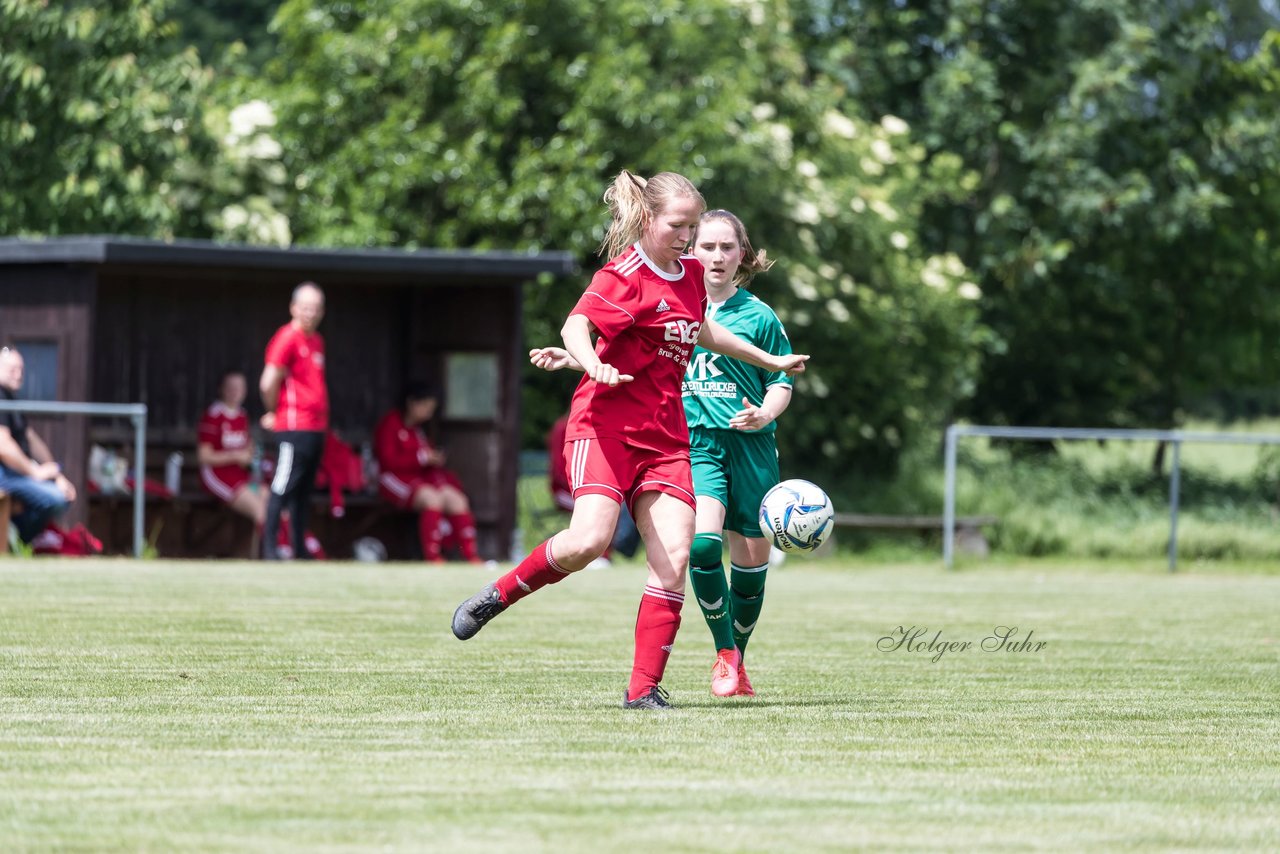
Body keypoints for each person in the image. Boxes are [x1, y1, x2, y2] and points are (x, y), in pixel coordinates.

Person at [450, 170, 808, 711]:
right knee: (587, 542)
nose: (688, 238)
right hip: (605, 429)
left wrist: (768, 360)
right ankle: (501, 593)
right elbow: (577, 325)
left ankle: (643, 691)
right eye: (678, 226)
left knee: (676, 556)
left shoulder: (688, 276)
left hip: (666, 439)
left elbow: (703, 331)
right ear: (647, 219)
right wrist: (591, 362)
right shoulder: (623, 275)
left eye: (693, 226)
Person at [684, 210, 794, 699]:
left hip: (752, 450)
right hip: (698, 443)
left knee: (751, 568)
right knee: (704, 545)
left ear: (742, 255)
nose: (717, 256)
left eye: (727, 247)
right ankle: (725, 652)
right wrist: (577, 357)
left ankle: (735, 661)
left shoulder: (759, 315)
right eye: (707, 246)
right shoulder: (672, 308)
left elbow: (782, 380)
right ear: (691, 250)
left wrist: (765, 415)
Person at [373, 381, 482, 563]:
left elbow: (424, 458)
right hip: (391, 479)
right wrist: (422, 458)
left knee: (457, 499)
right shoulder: (391, 423)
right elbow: (388, 461)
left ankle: (471, 556)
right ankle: (433, 557)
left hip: (417, 479)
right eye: (425, 407)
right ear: (411, 403)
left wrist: (433, 459)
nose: (428, 413)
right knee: (432, 499)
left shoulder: (419, 430)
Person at [259, 282, 328, 560]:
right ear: (293, 308)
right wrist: (274, 411)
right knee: (282, 486)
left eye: (315, 308)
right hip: (293, 427)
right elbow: (268, 381)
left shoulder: (317, 341)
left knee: (303, 492)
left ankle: (299, 548)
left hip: (315, 428)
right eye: (305, 307)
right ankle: (270, 549)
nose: (310, 313)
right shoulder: (286, 338)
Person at [0, 346, 76, 545]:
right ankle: (16, 539)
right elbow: (3, 446)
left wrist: (56, 475)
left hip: (17, 471)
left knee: (63, 494)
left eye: (21, 370)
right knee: (56, 498)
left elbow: (32, 440)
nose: (18, 375)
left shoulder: (12, 399)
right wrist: (35, 472)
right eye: (12, 369)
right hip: (4, 471)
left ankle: (15, 535)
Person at [197, 370, 266, 528]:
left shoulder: (242, 415)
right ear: (222, 389)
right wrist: (236, 456)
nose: (235, 392)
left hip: (240, 474)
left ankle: (288, 549)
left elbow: (246, 447)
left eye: (239, 388)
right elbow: (204, 456)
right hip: (217, 474)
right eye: (231, 387)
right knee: (260, 511)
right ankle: (272, 551)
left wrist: (251, 454)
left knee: (274, 502)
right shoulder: (213, 416)